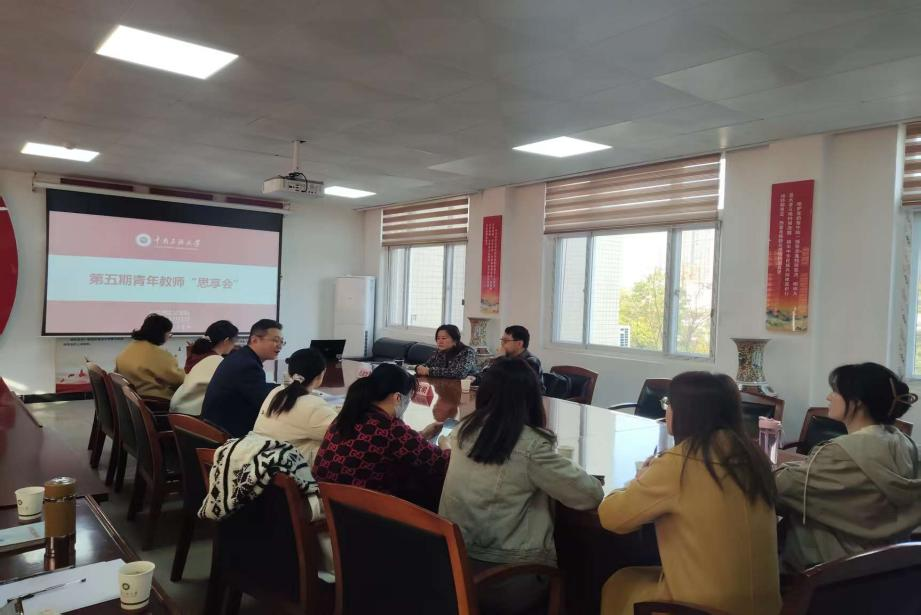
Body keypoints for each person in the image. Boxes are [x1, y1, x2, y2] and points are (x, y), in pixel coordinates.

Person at [598, 372, 781, 615]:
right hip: (765, 606)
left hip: (701, 609)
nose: (667, 411)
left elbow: (611, 517)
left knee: (620, 583)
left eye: (669, 404)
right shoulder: (753, 457)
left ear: (685, 413)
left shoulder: (681, 463)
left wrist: (639, 478)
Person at [440, 358, 603, 615]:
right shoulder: (530, 445)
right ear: (531, 398)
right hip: (507, 578)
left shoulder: (463, 431)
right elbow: (590, 495)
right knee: (584, 578)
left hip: (454, 570)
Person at [775, 362, 921, 573]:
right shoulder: (906, 445)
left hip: (827, 573)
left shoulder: (839, 454)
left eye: (835, 391)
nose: (829, 397)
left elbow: (781, 488)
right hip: (885, 573)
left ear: (857, 402)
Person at [313, 363, 448, 509]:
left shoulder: (347, 416)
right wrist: (445, 443)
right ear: (398, 397)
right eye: (408, 399)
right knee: (430, 478)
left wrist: (423, 435)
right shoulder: (390, 427)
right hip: (363, 512)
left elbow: (385, 444)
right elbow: (442, 462)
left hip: (329, 503)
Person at [201, 319, 283, 438]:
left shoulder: (242, 357)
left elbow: (258, 387)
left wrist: (283, 387)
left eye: (282, 341)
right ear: (254, 340)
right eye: (275, 340)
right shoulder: (248, 365)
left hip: (215, 426)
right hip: (226, 435)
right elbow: (265, 402)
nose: (279, 345)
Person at [253, 348, 336, 465]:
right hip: (288, 469)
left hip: (259, 459)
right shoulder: (314, 406)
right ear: (320, 375)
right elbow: (340, 434)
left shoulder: (276, 392)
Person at [170, 320, 239, 416]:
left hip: (178, 411)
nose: (234, 345)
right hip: (194, 415)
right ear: (226, 341)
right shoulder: (217, 361)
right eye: (234, 341)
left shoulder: (197, 356)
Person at [115, 313, 185, 400]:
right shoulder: (159, 355)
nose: (169, 337)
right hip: (155, 402)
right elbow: (179, 380)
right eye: (169, 333)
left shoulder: (127, 350)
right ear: (161, 334)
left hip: (131, 400)